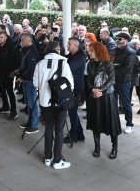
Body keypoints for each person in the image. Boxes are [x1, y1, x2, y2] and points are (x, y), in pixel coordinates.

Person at [33, 40, 74, 170]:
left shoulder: (40, 63)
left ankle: (47, 157)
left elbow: (35, 83)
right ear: (57, 50)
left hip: (45, 102)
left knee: (49, 128)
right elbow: (70, 85)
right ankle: (57, 160)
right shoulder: (63, 63)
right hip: (60, 103)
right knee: (60, 130)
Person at [86, 41, 119, 159]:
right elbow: (89, 79)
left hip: (107, 97)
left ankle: (114, 147)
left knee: (111, 124)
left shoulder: (108, 64)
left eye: (91, 51)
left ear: (98, 51)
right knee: (96, 123)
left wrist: (101, 91)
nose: (89, 52)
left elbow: (112, 80)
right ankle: (97, 147)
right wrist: (93, 89)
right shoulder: (90, 64)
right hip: (95, 97)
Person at [112, 32, 138, 134]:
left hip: (123, 81)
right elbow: (111, 63)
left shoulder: (131, 52)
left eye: (120, 39)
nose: (117, 41)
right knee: (112, 102)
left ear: (126, 41)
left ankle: (129, 124)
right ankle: (114, 121)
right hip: (113, 80)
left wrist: (114, 67)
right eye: (117, 39)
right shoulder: (114, 50)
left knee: (125, 103)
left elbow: (127, 69)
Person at [17, 32, 41, 134]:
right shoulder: (27, 50)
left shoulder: (32, 52)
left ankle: (34, 125)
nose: (21, 42)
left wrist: (22, 77)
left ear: (29, 40)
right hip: (27, 80)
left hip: (30, 81)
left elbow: (32, 68)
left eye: (23, 40)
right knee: (29, 103)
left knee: (32, 103)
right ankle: (30, 122)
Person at [64, 37, 87, 144]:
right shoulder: (71, 55)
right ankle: (80, 134)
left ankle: (73, 136)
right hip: (71, 87)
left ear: (76, 46)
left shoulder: (81, 56)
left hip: (76, 88)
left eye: (69, 44)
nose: (67, 45)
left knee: (72, 112)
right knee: (72, 112)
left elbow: (68, 67)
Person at [0, 30, 20, 119]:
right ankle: (5, 106)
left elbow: (10, 59)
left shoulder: (11, 47)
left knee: (10, 91)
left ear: (6, 37)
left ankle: (13, 111)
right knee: (1, 89)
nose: (0, 39)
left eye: (1, 37)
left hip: (8, 72)